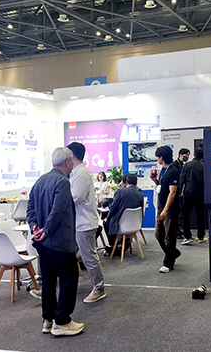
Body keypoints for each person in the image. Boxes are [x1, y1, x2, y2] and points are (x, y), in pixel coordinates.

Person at [26, 147, 84, 336]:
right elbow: (57, 211)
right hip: (59, 241)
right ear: (67, 162)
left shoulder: (41, 180)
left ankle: (48, 320)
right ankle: (62, 321)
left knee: (49, 281)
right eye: (71, 162)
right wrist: (46, 230)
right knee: (69, 279)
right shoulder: (62, 182)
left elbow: (30, 207)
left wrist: (35, 226)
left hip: (43, 243)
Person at [67, 142, 106, 304]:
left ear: (72, 155)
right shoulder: (76, 172)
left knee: (89, 257)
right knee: (71, 256)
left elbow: (76, 197)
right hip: (78, 222)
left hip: (84, 223)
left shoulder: (81, 173)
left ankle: (99, 288)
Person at [150, 145, 182, 273]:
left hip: (170, 209)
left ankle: (168, 263)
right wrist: (154, 180)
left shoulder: (173, 170)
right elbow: (162, 186)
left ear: (161, 157)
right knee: (158, 234)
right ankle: (173, 253)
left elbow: (172, 192)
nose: (157, 159)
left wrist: (165, 210)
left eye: (158, 157)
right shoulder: (163, 170)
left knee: (170, 236)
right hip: (161, 206)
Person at [104, 174, 144, 254]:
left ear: (126, 183)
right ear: (136, 183)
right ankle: (124, 242)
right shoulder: (140, 193)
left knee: (106, 223)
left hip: (122, 226)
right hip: (136, 224)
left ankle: (113, 246)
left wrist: (107, 218)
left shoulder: (120, 191)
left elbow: (113, 208)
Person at [179, 148, 205, 245]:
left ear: (194, 154)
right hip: (200, 194)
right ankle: (201, 236)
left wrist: (179, 192)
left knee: (185, 215)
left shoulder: (187, 165)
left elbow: (182, 179)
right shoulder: (203, 166)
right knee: (200, 215)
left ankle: (187, 236)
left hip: (188, 194)